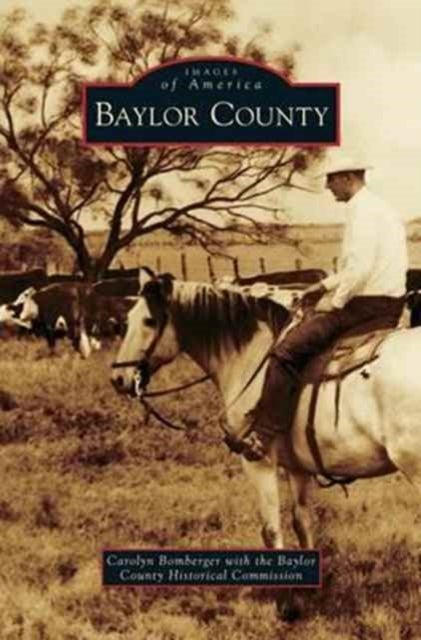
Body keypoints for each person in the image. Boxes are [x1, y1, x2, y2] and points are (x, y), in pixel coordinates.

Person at [233, 150, 408, 462]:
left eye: (331, 180)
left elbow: (360, 269)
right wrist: (323, 286)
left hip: (365, 307)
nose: (328, 187)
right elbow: (358, 268)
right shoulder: (381, 208)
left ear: (347, 178)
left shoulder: (362, 212)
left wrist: (334, 302)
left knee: (285, 352)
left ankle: (265, 434)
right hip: (389, 303)